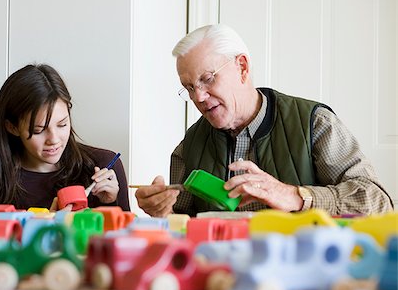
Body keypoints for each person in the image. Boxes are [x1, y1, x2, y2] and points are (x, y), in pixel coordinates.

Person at [135, 24, 393, 217]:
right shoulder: (190, 145)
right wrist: (162, 211)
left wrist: (296, 196)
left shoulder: (314, 124)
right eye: (189, 87)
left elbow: (379, 202)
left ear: (242, 67)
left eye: (208, 79)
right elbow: (184, 222)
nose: (199, 97)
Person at [0, 64, 130, 211]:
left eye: (62, 125)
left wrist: (110, 203)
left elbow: (128, 235)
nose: (54, 139)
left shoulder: (103, 166)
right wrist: (49, 225)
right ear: (13, 127)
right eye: (39, 130)